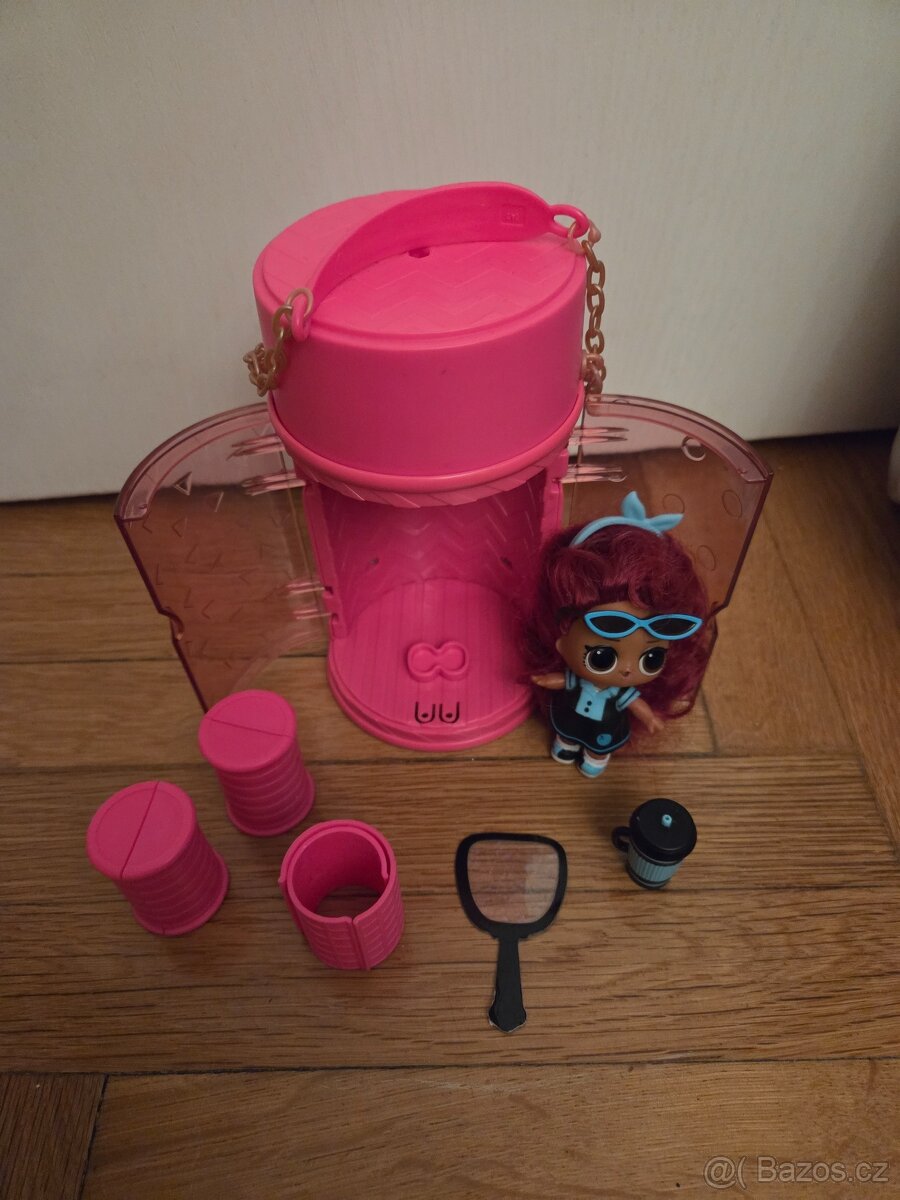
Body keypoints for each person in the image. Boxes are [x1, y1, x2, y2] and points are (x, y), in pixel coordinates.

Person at [527, 492, 711, 778]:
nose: (627, 669)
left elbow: (635, 704)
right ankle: (565, 747)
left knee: (600, 746)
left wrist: (649, 717)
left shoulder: (621, 691)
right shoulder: (576, 677)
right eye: (602, 657)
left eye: (651, 657)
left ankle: (595, 759)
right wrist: (545, 680)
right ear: (561, 637)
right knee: (567, 733)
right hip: (570, 719)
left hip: (605, 727)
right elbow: (562, 680)